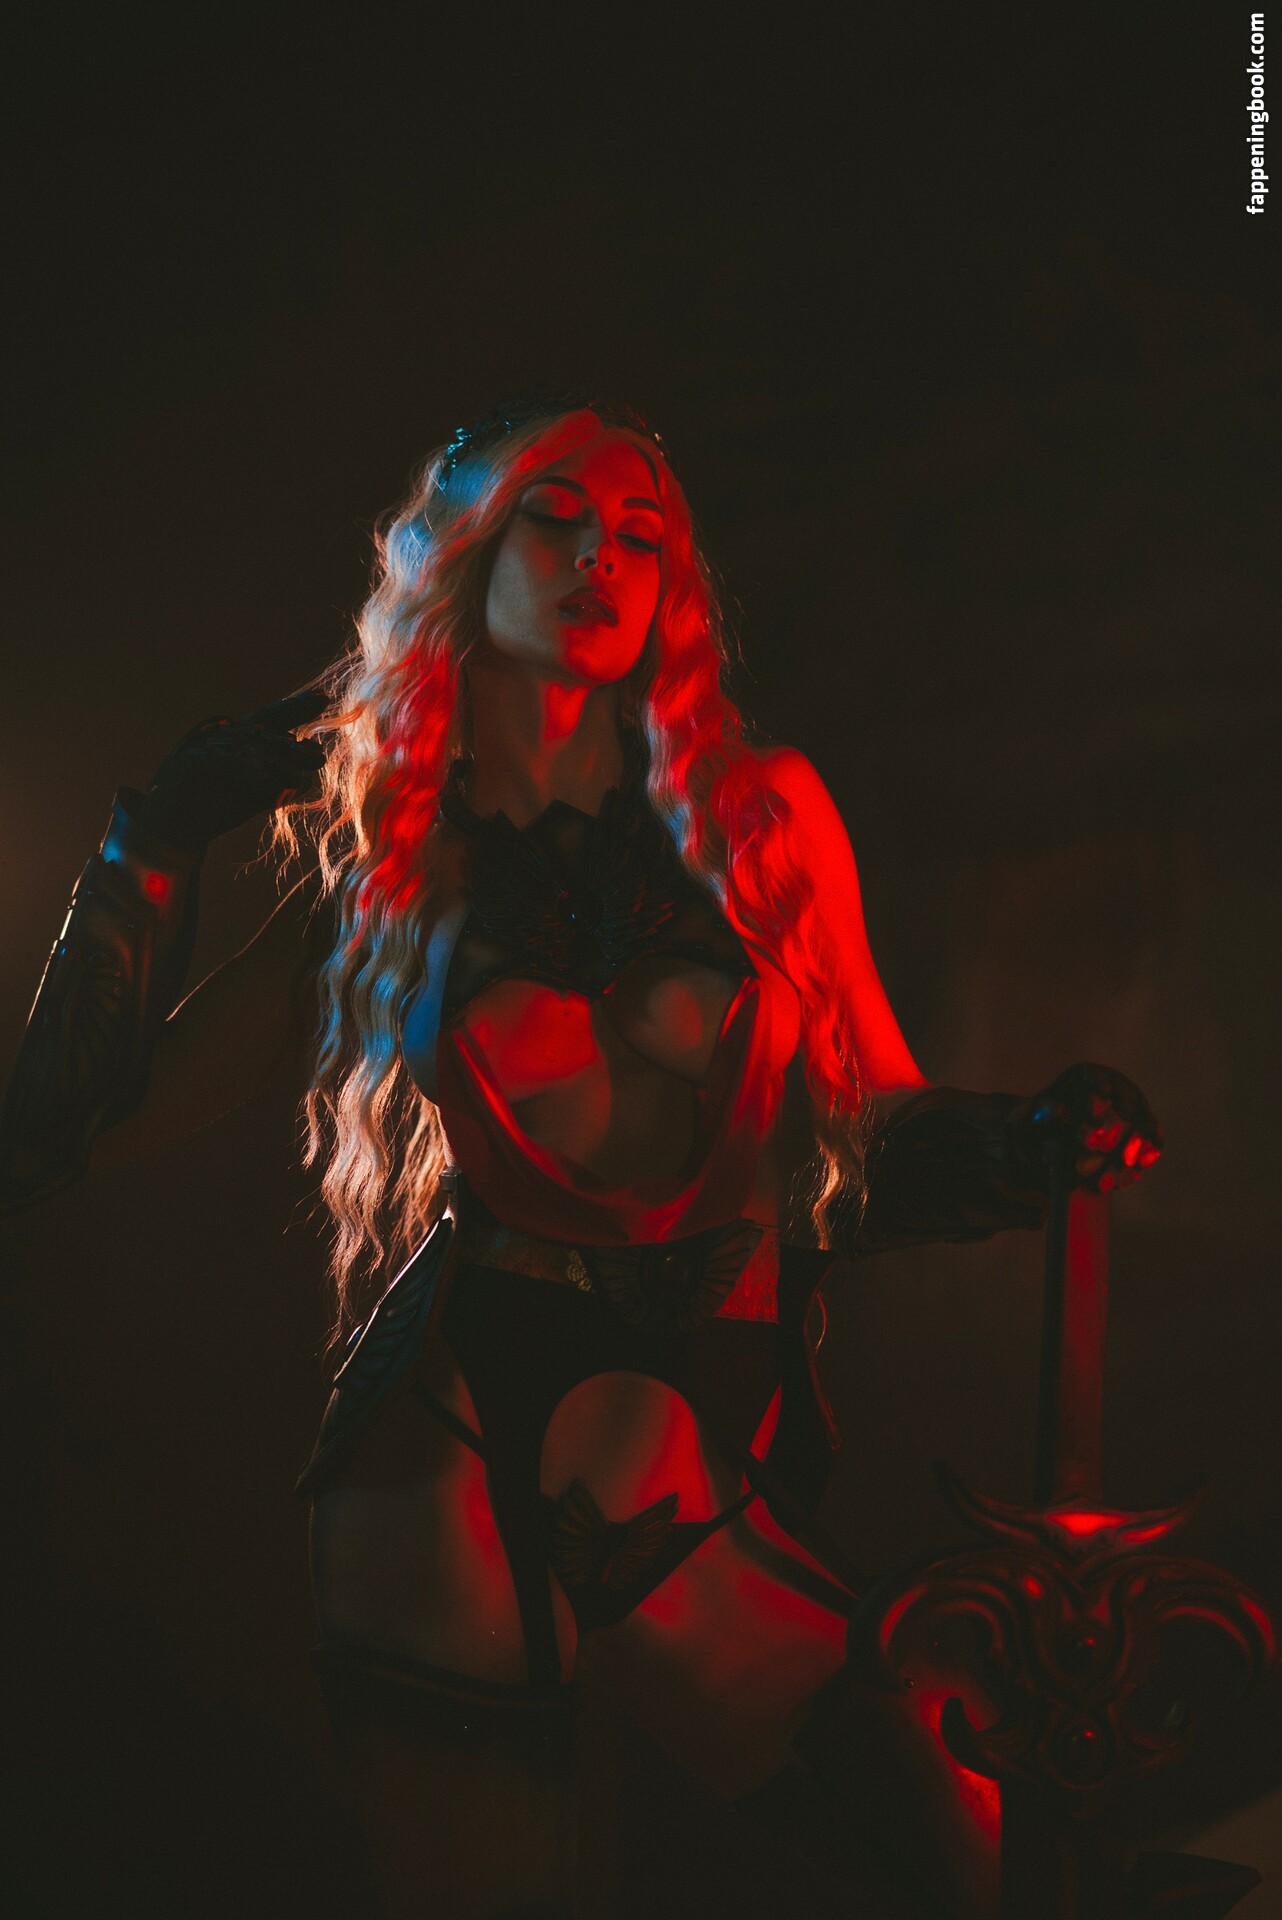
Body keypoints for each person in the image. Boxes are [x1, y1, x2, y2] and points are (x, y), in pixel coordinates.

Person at [0, 396, 1162, 1919]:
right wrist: (154, 839)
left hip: (672, 1419)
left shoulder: (760, 817)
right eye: (553, 519)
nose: (599, 557)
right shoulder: (391, 865)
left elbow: (863, 1137)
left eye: (639, 537)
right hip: (441, 1440)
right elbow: (64, 1136)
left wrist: (1024, 1144)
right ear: (462, 561)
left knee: (964, 1808)